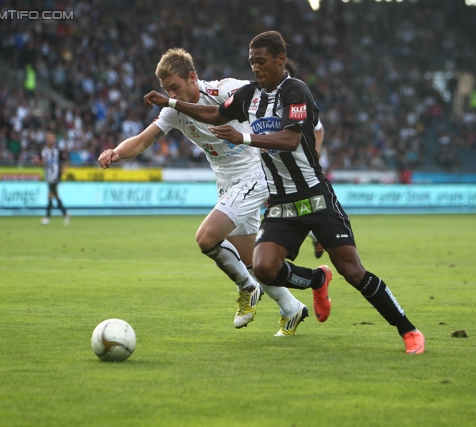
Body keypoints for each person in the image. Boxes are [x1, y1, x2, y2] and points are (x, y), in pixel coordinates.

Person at [143, 31, 425, 354]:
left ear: (281, 60)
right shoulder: (249, 95)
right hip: (281, 201)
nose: (256, 68)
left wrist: (244, 139)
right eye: (252, 63)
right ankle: (317, 281)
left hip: (315, 196)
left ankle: (408, 330)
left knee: (352, 270)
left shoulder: (296, 92)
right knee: (263, 267)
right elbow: (214, 114)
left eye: (261, 61)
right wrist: (171, 102)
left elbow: (291, 138)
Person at [98, 48, 310, 336]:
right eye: (167, 89)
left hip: (256, 172)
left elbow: (266, 90)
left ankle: (247, 288)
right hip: (226, 181)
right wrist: (116, 152)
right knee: (251, 260)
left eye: (174, 86)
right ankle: (291, 308)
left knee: (206, 237)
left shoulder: (225, 90)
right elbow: (142, 140)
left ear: (192, 77)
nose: (171, 93)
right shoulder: (173, 111)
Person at [285, 59, 325, 259]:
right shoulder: (263, 101)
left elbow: (318, 127)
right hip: (271, 167)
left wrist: (316, 150)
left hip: (298, 168)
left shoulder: (298, 99)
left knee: (293, 208)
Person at [39, 131, 69, 225]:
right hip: (47, 177)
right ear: (46, 140)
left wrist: (64, 168)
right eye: (49, 138)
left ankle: (47, 217)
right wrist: (41, 163)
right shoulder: (43, 151)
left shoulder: (58, 151)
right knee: (55, 196)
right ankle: (65, 213)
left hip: (56, 176)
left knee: (50, 195)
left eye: (52, 138)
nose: (51, 139)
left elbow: (65, 160)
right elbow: (38, 162)